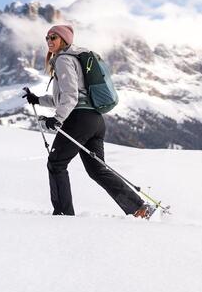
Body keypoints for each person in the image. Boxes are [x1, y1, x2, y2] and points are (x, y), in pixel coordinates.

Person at [23, 24, 153, 218]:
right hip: (95, 121)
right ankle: (139, 208)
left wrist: (57, 119)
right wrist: (38, 99)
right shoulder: (76, 58)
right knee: (97, 169)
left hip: (78, 120)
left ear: (64, 40)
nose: (49, 41)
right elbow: (68, 97)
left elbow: (70, 96)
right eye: (47, 38)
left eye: (54, 37)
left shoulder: (64, 60)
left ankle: (63, 215)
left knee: (56, 163)